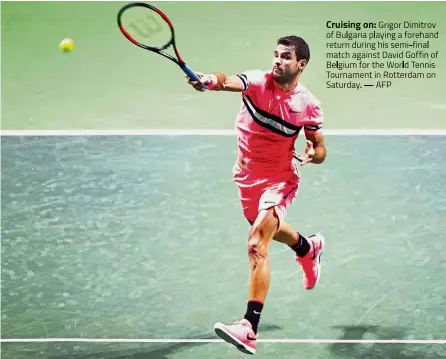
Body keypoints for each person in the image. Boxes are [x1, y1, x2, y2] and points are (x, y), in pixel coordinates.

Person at [187, 35, 327, 355]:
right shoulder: (257, 81)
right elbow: (227, 81)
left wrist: (313, 153)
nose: (277, 61)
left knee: (256, 243)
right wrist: (209, 81)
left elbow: (320, 149)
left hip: (280, 179)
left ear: (300, 64)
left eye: (286, 57)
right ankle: (308, 247)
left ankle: (249, 327)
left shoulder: (308, 104)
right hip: (247, 176)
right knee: (265, 229)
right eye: (276, 55)